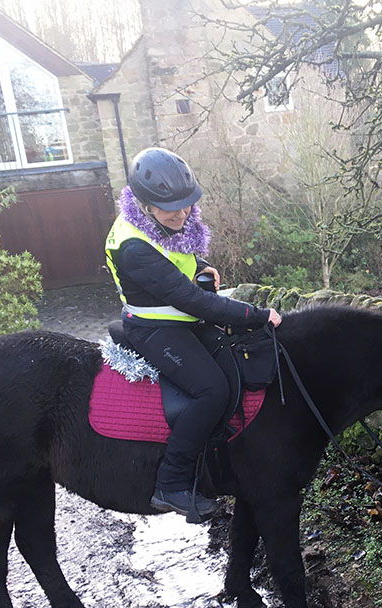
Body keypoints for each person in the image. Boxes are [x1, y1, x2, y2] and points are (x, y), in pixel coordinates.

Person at [105, 147, 282, 523]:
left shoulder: (159, 224)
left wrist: (201, 265)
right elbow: (193, 301)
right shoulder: (133, 247)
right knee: (211, 389)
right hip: (154, 328)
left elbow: (174, 258)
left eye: (186, 205)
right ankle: (171, 483)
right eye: (170, 208)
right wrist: (256, 316)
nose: (182, 214)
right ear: (145, 206)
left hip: (181, 319)